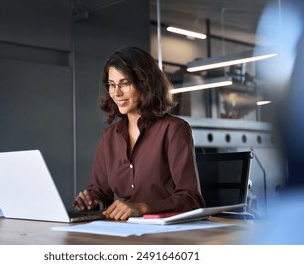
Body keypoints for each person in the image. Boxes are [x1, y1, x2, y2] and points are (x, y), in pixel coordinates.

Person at [72, 46, 205, 221]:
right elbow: (100, 192)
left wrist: (143, 208)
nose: (116, 93)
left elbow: (191, 199)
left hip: (165, 233)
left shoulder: (174, 129)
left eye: (125, 83)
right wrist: (91, 201)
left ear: (144, 83)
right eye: (112, 85)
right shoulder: (109, 137)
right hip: (123, 230)